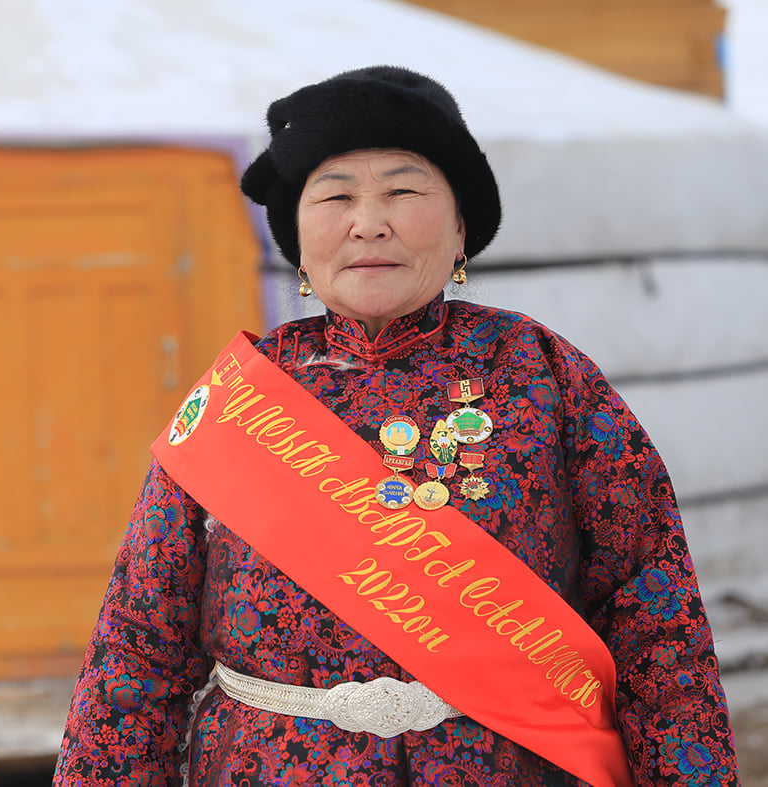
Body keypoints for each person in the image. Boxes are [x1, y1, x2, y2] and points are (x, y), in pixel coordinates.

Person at [53, 66, 738, 786]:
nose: (367, 220)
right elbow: (139, 644)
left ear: (460, 226)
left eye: (402, 190)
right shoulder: (239, 400)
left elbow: (652, 617)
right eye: (336, 194)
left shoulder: (543, 375)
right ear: (297, 235)